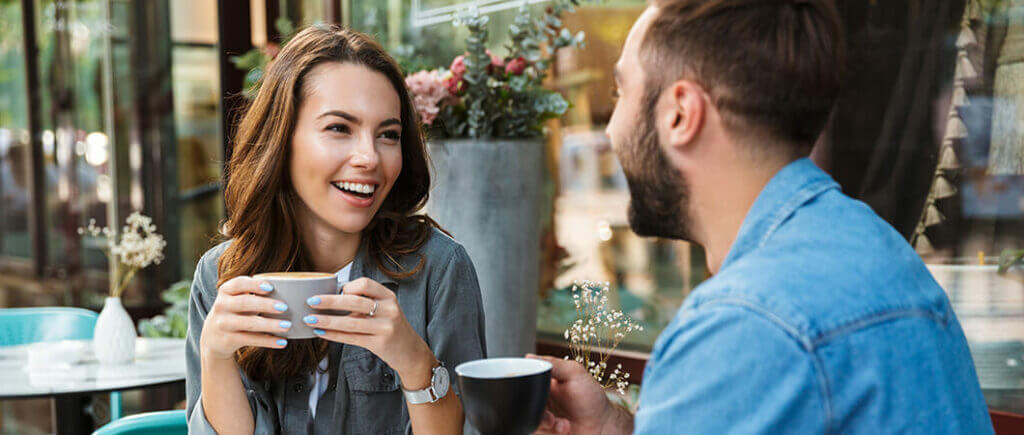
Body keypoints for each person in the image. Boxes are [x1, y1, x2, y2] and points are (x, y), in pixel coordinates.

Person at [531, 1, 993, 433]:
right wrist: (614, 425)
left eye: (621, 90)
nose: (609, 128)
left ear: (680, 115)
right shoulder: (880, 248)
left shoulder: (740, 325)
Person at [184, 25, 486, 435]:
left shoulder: (439, 270)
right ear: (282, 138)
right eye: (339, 128)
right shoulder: (221, 276)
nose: (369, 157)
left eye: (388, 135)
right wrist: (217, 358)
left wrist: (415, 362)